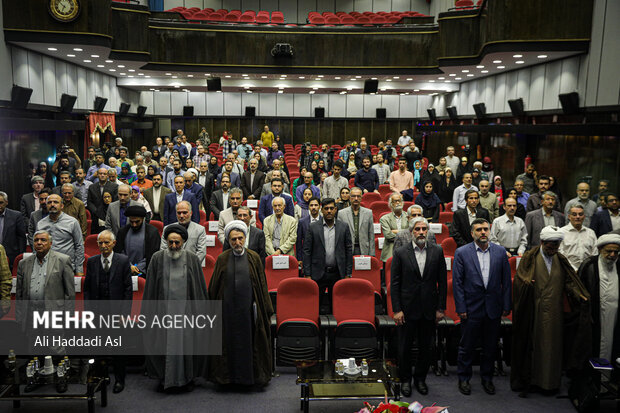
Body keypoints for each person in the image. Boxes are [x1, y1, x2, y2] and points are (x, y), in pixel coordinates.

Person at [511, 226, 591, 396]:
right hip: (535, 311)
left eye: (555, 247)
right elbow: (519, 280)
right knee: (534, 346)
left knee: (552, 348)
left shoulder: (560, 259)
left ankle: (550, 384)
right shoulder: (530, 258)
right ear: (542, 242)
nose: (553, 250)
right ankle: (532, 381)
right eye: (550, 247)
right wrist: (526, 284)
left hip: (555, 313)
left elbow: (570, 282)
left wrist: (579, 295)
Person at [144, 224, 209, 393]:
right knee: (162, 344)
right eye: (170, 242)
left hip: (186, 313)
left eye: (177, 243)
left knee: (187, 345)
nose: (173, 246)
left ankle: (186, 379)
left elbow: (199, 288)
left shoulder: (193, 258)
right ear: (165, 241)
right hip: (162, 312)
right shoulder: (157, 258)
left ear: (184, 242)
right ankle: (165, 378)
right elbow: (150, 287)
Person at [208, 220, 273, 387]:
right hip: (227, 311)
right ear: (229, 241)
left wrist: (265, 308)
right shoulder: (222, 258)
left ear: (245, 238)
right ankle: (228, 379)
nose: (237, 242)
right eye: (233, 239)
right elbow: (215, 285)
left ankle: (250, 378)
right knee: (227, 343)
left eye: (240, 238)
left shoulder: (254, 257)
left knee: (250, 343)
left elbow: (262, 284)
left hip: (249, 311)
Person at [452, 218, 512, 396]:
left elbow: (506, 282)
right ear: (472, 233)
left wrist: (506, 305)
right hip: (471, 308)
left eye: (486, 229)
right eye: (479, 230)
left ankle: (487, 378)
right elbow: (457, 283)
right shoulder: (462, 252)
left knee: (490, 346)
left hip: (493, 307)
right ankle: (464, 379)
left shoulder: (501, 252)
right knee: (467, 347)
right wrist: (461, 307)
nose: (483, 232)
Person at [391, 216, 447, 397]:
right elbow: (395, 284)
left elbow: (442, 283)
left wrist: (440, 308)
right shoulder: (400, 252)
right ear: (411, 232)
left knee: (426, 347)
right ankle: (405, 379)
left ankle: (420, 379)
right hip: (407, 309)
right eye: (418, 229)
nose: (421, 232)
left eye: (424, 229)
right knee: (404, 348)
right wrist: (397, 309)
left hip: (429, 308)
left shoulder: (437, 251)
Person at [84, 229, 132, 393]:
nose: (103, 246)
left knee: (118, 349)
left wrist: (125, 315)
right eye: (100, 243)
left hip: (117, 314)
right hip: (97, 313)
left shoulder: (123, 261)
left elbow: (127, 290)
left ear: (113, 243)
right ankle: (102, 378)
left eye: (106, 242)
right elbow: (88, 290)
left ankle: (120, 380)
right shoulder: (92, 262)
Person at [303, 198, 353, 313]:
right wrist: (308, 274)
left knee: (336, 307)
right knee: (315, 307)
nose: (329, 211)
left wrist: (348, 273)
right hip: (318, 273)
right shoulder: (313, 227)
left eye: (331, 208)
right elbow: (307, 251)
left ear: (336, 209)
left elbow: (348, 251)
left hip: (337, 273)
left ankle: (335, 330)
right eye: (326, 209)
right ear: (322, 210)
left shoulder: (343, 227)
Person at [579, 234, 620, 364]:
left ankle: (608, 380)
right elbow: (579, 291)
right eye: (609, 251)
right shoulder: (589, 265)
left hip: (614, 316)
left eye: (616, 252)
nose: (612, 255)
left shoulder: (619, 265)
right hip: (593, 317)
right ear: (600, 249)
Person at [36, 194, 84, 275]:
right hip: (45, 268)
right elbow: (36, 247)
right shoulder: (40, 224)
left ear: (62, 206)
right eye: (49, 202)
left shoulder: (72, 222)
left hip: (67, 267)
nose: (52, 205)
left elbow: (79, 246)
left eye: (55, 202)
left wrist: (79, 269)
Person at [114, 205, 160, 276]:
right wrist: (129, 266)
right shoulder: (123, 232)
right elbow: (119, 252)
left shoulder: (152, 232)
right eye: (131, 222)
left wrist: (137, 268)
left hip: (145, 272)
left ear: (142, 219)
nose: (134, 225)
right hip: (125, 270)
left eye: (137, 222)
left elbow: (153, 255)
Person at [160, 201, 207, 266]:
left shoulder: (200, 230)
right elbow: (163, 250)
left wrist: (188, 267)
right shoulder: (167, 229)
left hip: (191, 269)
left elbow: (201, 253)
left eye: (185, 213)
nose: (181, 216)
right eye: (179, 213)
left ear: (191, 213)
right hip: (171, 267)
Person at [338, 187, 375, 256]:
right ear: (349, 197)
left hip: (364, 248)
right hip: (347, 249)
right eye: (353, 196)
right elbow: (339, 236)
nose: (356, 198)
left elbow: (371, 235)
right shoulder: (341, 213)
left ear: (361, 198)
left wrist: (372, 254)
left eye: (358, 196)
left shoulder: (368, 213)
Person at [559, 205, 598, 271]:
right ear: (569, 217)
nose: (578, 217)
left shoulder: (591, 232)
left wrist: (587, 269)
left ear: (584, 216)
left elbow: (595, 253)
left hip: (588, 271)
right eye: (574, 214)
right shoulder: (561, 232)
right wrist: (573, 269)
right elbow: (560, 253)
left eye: (580, 214)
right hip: (568, 270)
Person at [0, 191, 27, 270]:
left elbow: (21, 237)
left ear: (6, 202)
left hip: (11, 257)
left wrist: (20, 256)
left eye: (1, 203)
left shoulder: (16, 216)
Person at [380, 193, 409, 262]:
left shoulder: (409, 216)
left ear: (402, 202)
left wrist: (394, 231)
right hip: (390, 251)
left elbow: (411, 233)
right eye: (395, 201)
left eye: (399, 201)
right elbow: (388, 235)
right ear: (391, 204)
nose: (398, 203)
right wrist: (404, 233)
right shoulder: (384, 218)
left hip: (407, 250)